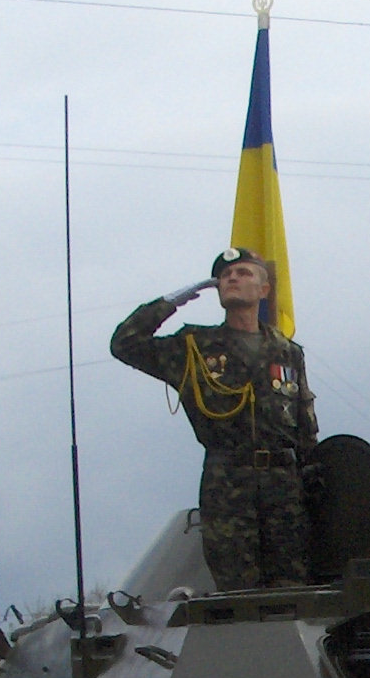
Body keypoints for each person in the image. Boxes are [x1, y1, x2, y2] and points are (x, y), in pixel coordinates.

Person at [111, 247, 319, 591]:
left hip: (285, 489)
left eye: (244, 273)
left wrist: (313, 484)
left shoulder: (286, 352)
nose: (233, 279)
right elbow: (124, 344)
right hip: (228, 487)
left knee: (294, 591)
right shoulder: (194, 346)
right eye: (225, 276)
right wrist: (170, 301)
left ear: (264, 290)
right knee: (239, 593)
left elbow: (305, 426)